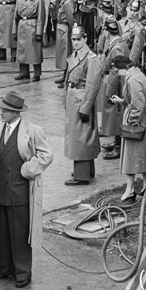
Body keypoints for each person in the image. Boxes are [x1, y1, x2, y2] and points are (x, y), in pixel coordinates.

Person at [0, 91, 53, 290]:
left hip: (19, 192)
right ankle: (6, 269)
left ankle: (22, 273)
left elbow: (46, 155)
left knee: (19, 234)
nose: (1, 112)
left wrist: (28, 169)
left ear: (15, 112)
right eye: (1, 108)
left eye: (5, 110)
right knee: (2, 233)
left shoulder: (32, 130)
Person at [111, 55, 146, 202]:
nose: (117, 74)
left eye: (117, 71)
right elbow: (138, 99)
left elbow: (138, 104)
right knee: (140, 155)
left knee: (131, 156)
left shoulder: (132, 79)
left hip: (138, 120)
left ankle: (130, 190)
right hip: (144, 118)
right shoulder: (137, 74)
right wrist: (123, 100)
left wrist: (131, 123)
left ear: (124, 68)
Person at [63, 26, 102, 185]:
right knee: (80, 137)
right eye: (73, 39)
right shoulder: (76, 55)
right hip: (74, 98)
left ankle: (81, 175)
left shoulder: (91, 58)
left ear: (85, 39)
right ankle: (86, 171)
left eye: (79, 39)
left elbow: (92, 86)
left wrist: (85, 108)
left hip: (81, 100)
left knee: (81, 139)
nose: (76, 42)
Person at [97, 16, 129, 160]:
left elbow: (117, 69)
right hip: (116, 83)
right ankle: (116, 142)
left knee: (116, 115)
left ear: (107, 32)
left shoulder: (116, 48)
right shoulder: (119, 43)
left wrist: (109, 90)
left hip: (115, 85)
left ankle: (118, 146)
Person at [52, 0, 75, 87]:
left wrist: (72, 33)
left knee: (67, 53)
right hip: (62, 29)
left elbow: (70, 19)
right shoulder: (63, 0)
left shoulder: (67, 2)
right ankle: (65, 75)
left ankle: (68, 78)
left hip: (66, 30)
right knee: (63, 53)